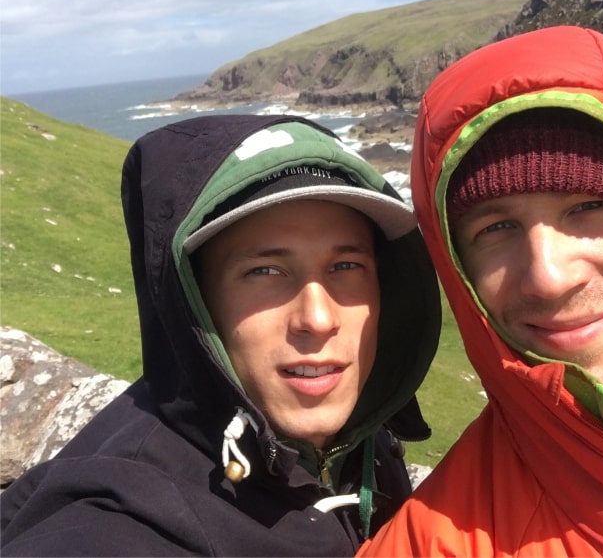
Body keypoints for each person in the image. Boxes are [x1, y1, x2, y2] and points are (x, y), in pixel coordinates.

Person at [1, 114, 442, 556]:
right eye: (265, 271)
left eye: (346, 266)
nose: (318, 318)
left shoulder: (365, 443)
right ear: (194, 298)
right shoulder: (120, 523)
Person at [358, 25, 603, 556]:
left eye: (588, 206)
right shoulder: (429, 545)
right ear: (457, 270)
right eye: (494, 229)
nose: (549, 277)